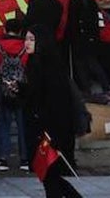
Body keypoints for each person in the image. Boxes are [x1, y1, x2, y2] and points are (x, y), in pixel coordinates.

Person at [23, 25, 83, 198]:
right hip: (40, 127)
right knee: (48, 175)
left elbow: (57, 103)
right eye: (26, 39)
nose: (27, 43)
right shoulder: (34, 62)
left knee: (50, 175)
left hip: (52, 130)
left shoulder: (50, 67)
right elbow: (34, 93)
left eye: (31, 39)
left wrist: (52, 133)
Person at [0, 18, 28, 171]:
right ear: (20, 31)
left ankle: (3, 158)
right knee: (22, 124)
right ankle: (25, 158)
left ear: (5, 30)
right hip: (22, 89)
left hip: (3, 89)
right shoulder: (25, 46)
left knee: (3, 123)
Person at [62, 0, 110, 96]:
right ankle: (86, 89)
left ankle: (106, 87)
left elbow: (91, 19)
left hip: (87, 37)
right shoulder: (72, 0)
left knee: (91, 63)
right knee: (80, 64)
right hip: (76, 38)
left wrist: (91, 36)